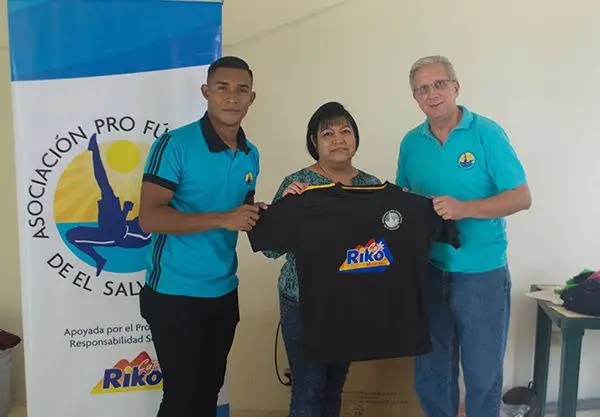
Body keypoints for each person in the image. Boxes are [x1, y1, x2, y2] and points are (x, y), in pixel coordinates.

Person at [396, 55, 532, 417]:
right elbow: (402, 199)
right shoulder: (411, 143)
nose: (432, 93)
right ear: (415, 97)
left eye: (439, 84)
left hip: (481, 274)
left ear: (456, 87)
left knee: (482, 374)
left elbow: (521, 197)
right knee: (431, 374)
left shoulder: (487, 133)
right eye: (422, 89)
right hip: (429, 271)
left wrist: (465, 208)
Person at [137, 56, 265, 417]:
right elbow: (150, 217)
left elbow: (240, 212)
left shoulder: (251, 154)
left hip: (223, 290)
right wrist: (225, 218)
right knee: (182, 398)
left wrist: (259, 214)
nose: (232, 97)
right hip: (174, 293)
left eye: (242, 90)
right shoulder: (175, 144)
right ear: (206, 92)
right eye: (222, 88)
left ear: (252, 98)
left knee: (209, 392)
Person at [263, 101, 381, 417]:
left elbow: (383, 247)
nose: (338, 139)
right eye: (328, 133)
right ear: (314, 142)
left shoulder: (372, 186)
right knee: (308, 389)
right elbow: (272, 249)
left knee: (333, 387)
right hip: (303, 301)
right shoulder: (299, 184)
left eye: (346, 131)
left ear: (355, 137)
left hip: (349, 303)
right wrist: (285, 208)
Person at [66, 133, 151, 276]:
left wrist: (125, 211)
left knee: (72, 235)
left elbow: (128, 235)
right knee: (104, 186)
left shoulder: (149, 233)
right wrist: (125, 212)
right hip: (116, 226)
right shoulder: (152, 221)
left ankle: (99, 259)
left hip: (115, 234)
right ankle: (95, 151)